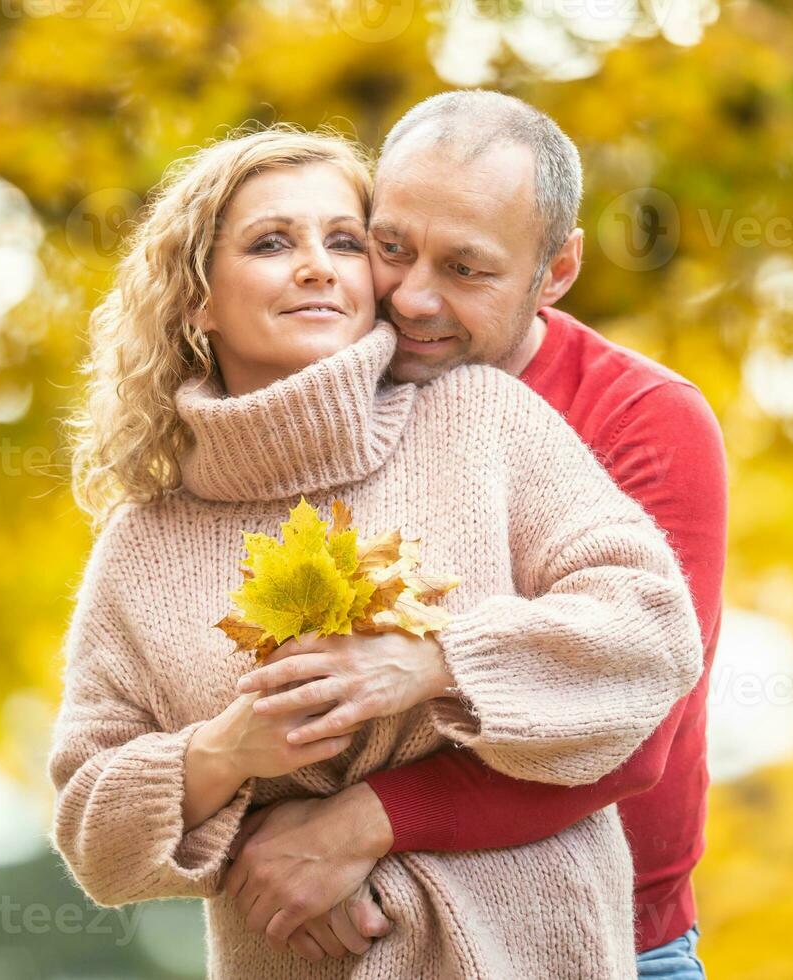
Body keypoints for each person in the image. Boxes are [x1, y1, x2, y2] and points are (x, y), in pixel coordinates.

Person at [46, 125, 706, 977]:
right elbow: (91, 831)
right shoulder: (143, 543)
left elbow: (651, 635)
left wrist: (437, 662)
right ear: (198, 299)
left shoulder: (480, 420)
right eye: (272, 242)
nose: (318, 265)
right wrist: (224, 754)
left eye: (346, 242)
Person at [221, 92, 728, 979]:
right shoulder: (336, 388)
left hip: (609, 942)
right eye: (391, 248)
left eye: (466, 269)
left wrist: (358, 826)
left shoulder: (644, 421)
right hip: (361, 940)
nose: (413, 298)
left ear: (557, 268)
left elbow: (635, 729)